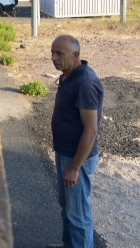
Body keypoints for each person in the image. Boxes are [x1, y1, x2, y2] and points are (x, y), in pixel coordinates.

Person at [47, 35, 103, 248]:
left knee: (78, 213)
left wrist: (74, 167)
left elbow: (91, 131)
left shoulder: (85, 82)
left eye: (59, 53)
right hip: (65, 153)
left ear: (76, 55)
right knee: (67, 206)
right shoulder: (69, 75)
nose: (54, 58)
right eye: (52, 52)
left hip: (76, 158)